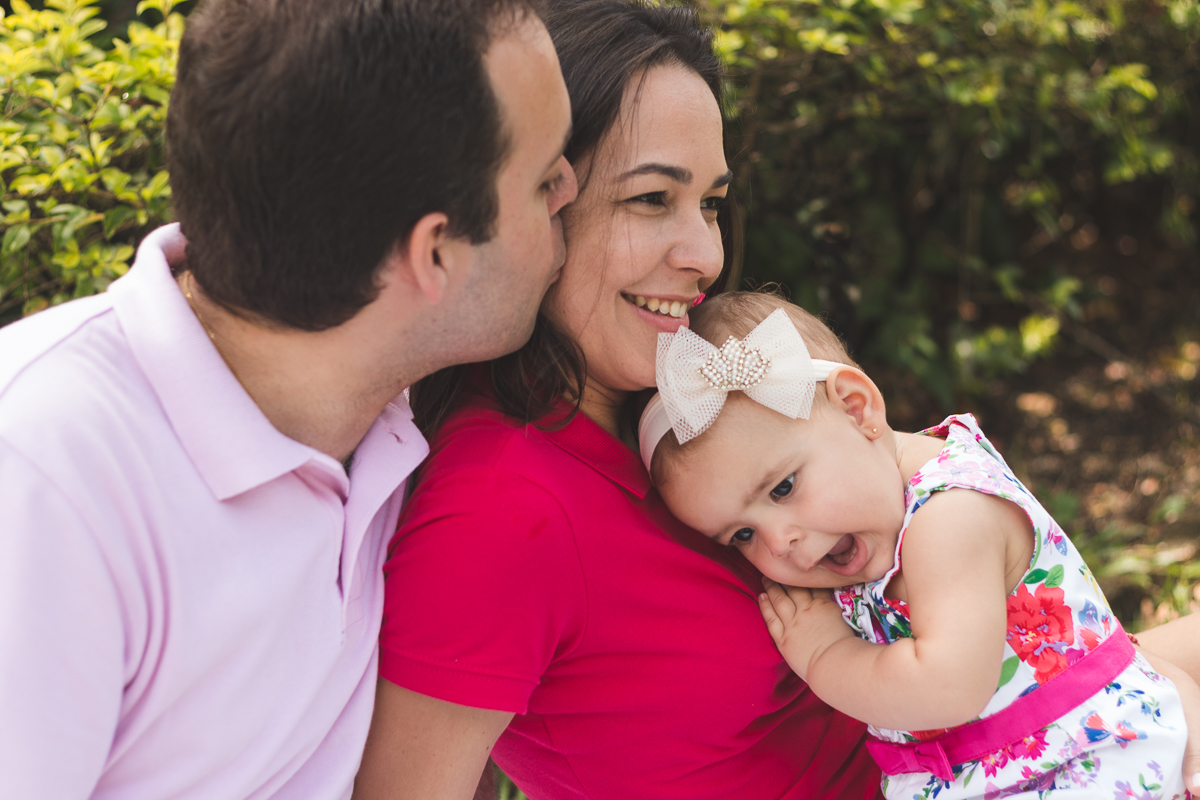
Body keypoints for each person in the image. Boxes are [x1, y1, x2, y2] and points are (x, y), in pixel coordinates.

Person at [0, 0, 576, 796]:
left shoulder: (386, 422)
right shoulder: (43, 480)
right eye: (546, 177)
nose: (572, 190)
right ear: (433, 253)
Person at [355, 2, 883, 798]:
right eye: (649, 200)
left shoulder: (684, 406)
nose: (706, 254)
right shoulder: (503, 510)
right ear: (532, 199)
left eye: (709, 202)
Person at [640, 291, 1200, 797]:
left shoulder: (949, 516)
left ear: (858, 410)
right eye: (742, 535)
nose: (779, 541)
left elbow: (949, 688)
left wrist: (825, 655)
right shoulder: (864, 524)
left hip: (1086, 767)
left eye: (783, 487)